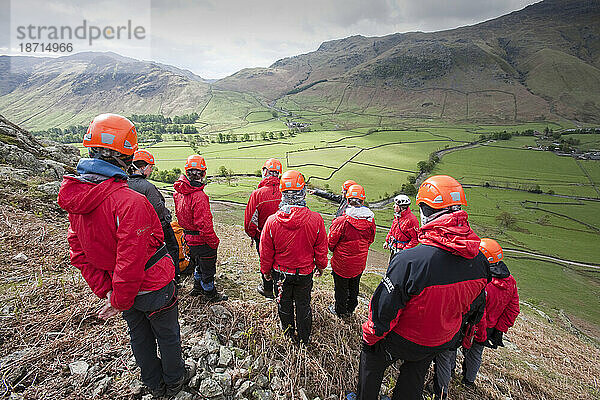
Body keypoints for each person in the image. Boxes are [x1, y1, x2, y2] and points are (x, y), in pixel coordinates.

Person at [57, 113, 188, 397]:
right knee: (166, 334)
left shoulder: (78, 199)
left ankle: (153, 384)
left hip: (120, 290)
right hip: (152, 286)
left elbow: (79, 253)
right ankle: (175, 380)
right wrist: (118, 299)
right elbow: (131, 261)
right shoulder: (131, 202)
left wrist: (109, 292)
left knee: (139, 336)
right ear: (127, 156)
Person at [353, 175, 490, 400]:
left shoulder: (410, 260)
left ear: (425, 210)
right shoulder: (480, 262)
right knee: (414, 374)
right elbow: (474, 307)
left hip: (403, 337)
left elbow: (385, 309)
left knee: (372, 360)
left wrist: (371, 336)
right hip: (440, 339)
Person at [432, 238, 520, 398]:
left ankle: (449, 376)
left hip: (471, 325)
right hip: (488, 327)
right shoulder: (510, 281)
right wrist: (499, 329)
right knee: (476, 354)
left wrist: (480, 332)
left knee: (451, 348)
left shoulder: (483, 281)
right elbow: (513, 309)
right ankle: (468, 381)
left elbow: (479, 311)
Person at [259, 170, 328, 345]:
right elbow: (321, 248)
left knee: (284, 304)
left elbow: (266, 251)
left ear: (282, 193)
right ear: (303, 192)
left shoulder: (272, 221)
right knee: (303, 304)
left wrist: (266, 271)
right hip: (304, 273)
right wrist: (321, 266)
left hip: (281, 273)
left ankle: (289, 336)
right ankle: (304, 338)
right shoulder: (316, 219)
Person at [173, 154, 227, 301]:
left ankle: (197, 288)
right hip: (202, 240)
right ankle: (210, 293)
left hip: (188, 239)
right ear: (203, 173)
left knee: (197, 263)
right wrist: (214, 242)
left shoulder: (178, 194)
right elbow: (204, 225)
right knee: (208, 269)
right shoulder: (199, 196)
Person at [128, 149, 181, 283]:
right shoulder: (148, 187)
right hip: (159, 226)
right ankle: (174, 278)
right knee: (172, 249)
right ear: (142, 167)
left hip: (139, 229)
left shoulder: (125, 184)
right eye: (150, 167)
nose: (151, 170)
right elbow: (157, 208)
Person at [327, 184, 376, 318]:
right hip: (359, 262)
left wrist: (336, 251)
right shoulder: (370, 220)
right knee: (354, 285)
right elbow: (371, 239)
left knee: (341, 288)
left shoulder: (341, 221)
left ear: (347, 201)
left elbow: (331, 242)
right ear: (363, 201)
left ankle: (340, 310)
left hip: (342, 263)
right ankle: (351, 308)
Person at [244, 158, 283, 298]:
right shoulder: (286, 192)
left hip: (262, 236)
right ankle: (280, 290)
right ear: (279, 174)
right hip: (283, 237)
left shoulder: (257, 194)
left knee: (266, 261)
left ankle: (267, 290)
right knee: (280, 262)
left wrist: (255, 235)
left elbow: (249, 222)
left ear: (265, 172)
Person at [383, 194, 419, 262]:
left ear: (402, 208)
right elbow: (392, 229)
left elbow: (415, 239)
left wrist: (404, 251)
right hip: (394, 247)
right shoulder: (398, 216)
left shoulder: (411, 220)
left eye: (396, 205)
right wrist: (387, 241)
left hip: (402, 250)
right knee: (391, 265)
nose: (393, 206)